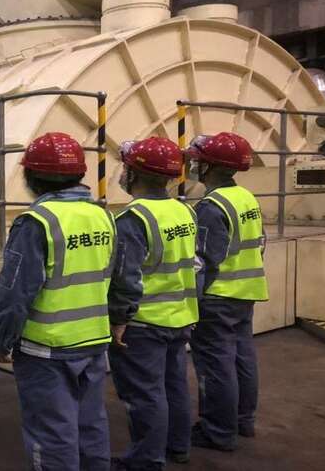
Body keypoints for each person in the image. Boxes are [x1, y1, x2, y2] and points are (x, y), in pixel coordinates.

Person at [0, 132, 116, 471]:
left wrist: (1, 339)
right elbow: (117, 276)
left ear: (31, 176)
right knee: (91, 425)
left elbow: (15, 292)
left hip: (46, 349)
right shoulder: (103, 216)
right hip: (93, 340)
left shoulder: (36, 222)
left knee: (51, 433)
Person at [107, 137, 199, 470]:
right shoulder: (185, 210)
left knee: (145, 394)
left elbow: (126, 277)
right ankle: (179, 445)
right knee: (174, 386)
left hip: (144, 322)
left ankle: (146, 460)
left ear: (134, 174)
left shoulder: (134, 218)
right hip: (180, 316)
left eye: (126, 168)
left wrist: (119, 319)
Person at [185, 132, 269, 451]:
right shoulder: (246, 197)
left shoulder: (211, 207)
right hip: (245, 291)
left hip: (218, 297)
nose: (193, 165)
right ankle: (243, 420)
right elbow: (259, 243)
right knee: (242, 357)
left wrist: (193, 302)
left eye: (197, 161)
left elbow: (204, 261)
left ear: (208, 167)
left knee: (216, 364)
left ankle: (218, 431)